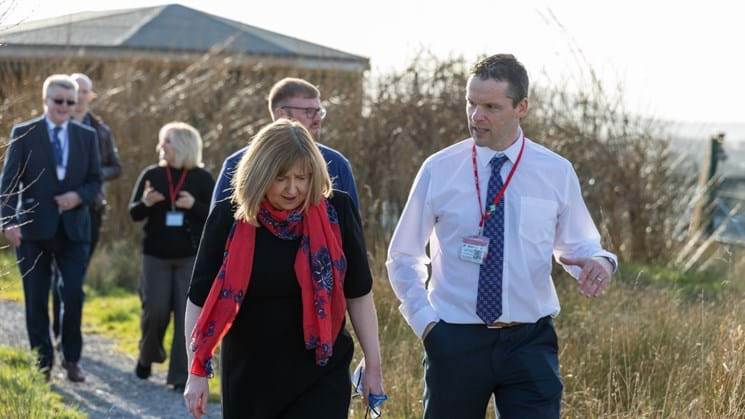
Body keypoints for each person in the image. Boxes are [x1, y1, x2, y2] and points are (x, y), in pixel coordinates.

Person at [386, 54, 619, 419]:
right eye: (471, 104)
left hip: (529, 342)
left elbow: (579, 245)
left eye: (491, 107)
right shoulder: (439, 169)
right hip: (455, 339)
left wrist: (599, 262)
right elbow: (403, 257)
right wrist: (428, 327)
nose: (477, 116)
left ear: (521, 107)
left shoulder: (555, 171)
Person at [184, 119, 383, 419]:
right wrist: (195, 371)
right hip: (250, 374)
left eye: (302, 178)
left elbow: (359, 294)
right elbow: (198, 299)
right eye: (281, 178)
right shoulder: (229, 216)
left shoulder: (337, 211)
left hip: (321, 368)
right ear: (260, 175)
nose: (293, 189)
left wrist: (374, 366)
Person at [1, 74, 102, 382]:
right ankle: (42, 364)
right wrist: (7, 221)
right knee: (35, 298)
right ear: (45, 100)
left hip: (74, 231)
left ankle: (72, 359)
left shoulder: (86, 136)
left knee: (73, 295)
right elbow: (7, 185)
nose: (64, 107)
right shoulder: (24, 132)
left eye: (70, 102)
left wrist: (78, 196)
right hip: (32, 230)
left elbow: (95, 181)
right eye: (58, 101)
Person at [128, 122, 215, 390]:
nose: (161, 146)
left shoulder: (202, 178)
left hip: (190, 256)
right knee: (155, 311)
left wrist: (195, 206)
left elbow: (216, 217)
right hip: (155, 255)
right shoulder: (152, 174)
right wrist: (147, 203)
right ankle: (148, 355)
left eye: (167, 141)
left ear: (183, 145)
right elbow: (134, 213)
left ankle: (179, 377)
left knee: (186, 317)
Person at [211, 77, 360, 210]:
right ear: (281, 114)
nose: (317, 119)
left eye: (319, 111)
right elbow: (218, 226)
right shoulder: (238, 164)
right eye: (308, 111)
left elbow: (351, 230)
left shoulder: (336, 164)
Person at [52, 72, 123, 344]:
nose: (80, 97)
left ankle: (69, 329)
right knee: (57, 274)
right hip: (57, 208)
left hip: (91, 208)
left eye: (85, 92)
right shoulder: (55, 125)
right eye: (76, 91)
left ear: (91, 96)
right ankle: (60, 329)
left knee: (75, 274)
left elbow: (116, 167)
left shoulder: (100, 130)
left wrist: (90, 176)